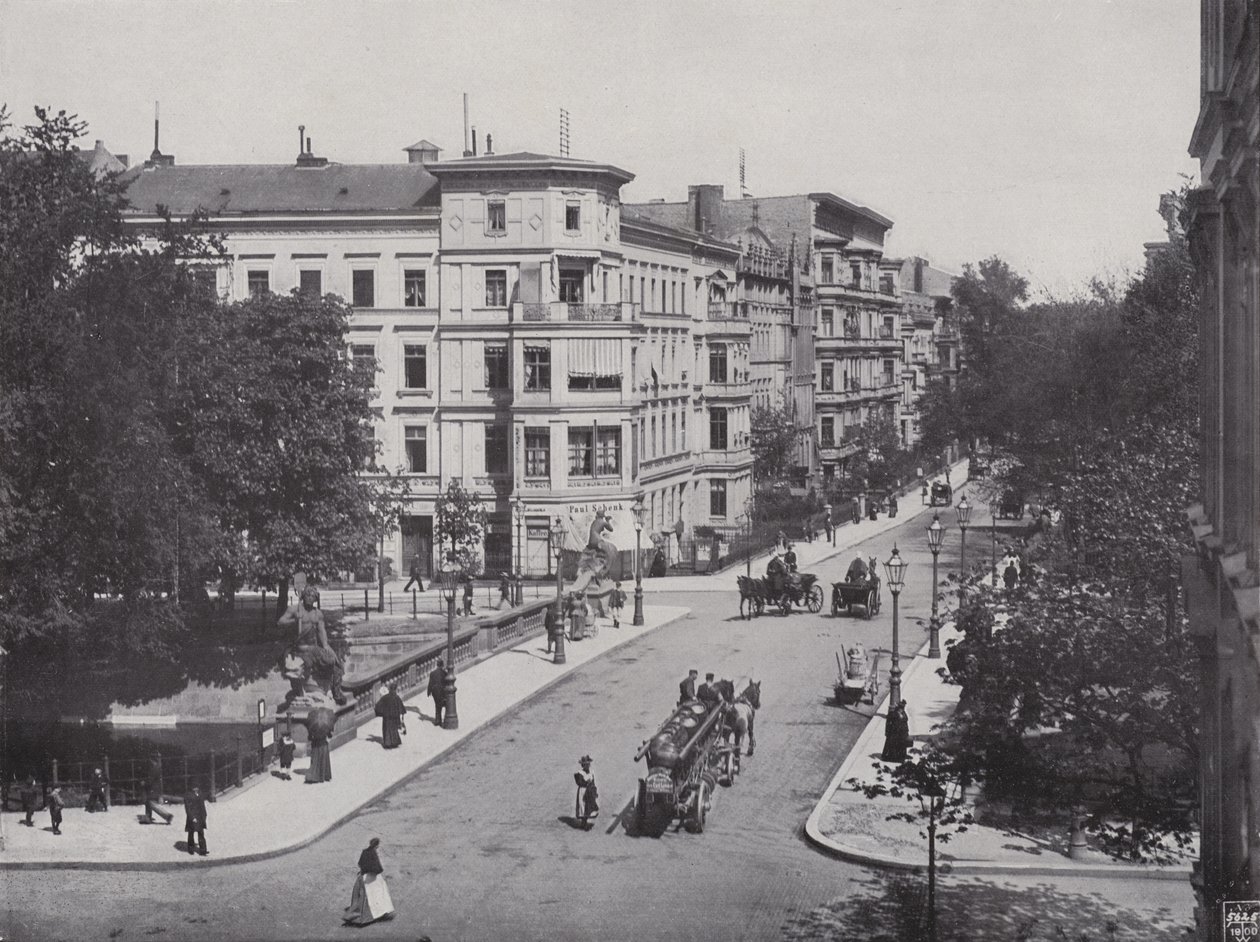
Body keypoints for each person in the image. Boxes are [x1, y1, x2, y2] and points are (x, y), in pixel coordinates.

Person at [278, 587, 347, 705]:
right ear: (303, 596)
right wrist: (295, 620)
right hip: (299, 648)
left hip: (313, 648)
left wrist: (327, 647)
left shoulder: (317, 614)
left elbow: (322, 632)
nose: (310, 597)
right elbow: (280, 622)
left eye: (313, 596)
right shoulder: (294, 610)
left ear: (316, 598)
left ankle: (336, 692)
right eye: (308, 595)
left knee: (335, 663)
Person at [344, 838, 395, 926]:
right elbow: (378, 868)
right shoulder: (373, 853)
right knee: (379, 895)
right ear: (377, 845)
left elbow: (360, 863)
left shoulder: (364, 852)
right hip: (372, 877)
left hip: (363, 876)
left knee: (366, 896)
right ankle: (377, 914)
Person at [142, 753, 173, 825]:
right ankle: (148, 817)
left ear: (152, 760)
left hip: (153, 788)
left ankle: (167, 815)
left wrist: (144, 783)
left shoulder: (154, 769)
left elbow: (150, 779)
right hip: (156, 788)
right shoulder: (158, 767)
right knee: (149, 802)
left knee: (151, 802)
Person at [374, 683, 407, 749]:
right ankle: (395, 742)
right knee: (394, 729)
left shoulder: (385, 697)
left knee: (387, 729)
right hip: (395, 717)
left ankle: (387, 743)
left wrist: (381, 712)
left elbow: (377, 706)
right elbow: (401, 708)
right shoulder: (397, 697)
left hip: (387, 717)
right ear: (395, 689)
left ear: (389, 689)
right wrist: (401, 715)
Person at [574, 756, 599, 827]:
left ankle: (585, 820)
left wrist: (594, 790)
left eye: (588, 764)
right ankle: (583, 822)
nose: (588, 766)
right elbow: (579, 782)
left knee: (590, 805)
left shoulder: (591, 772)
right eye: (586, 764)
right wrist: (586, 783)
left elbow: (593, 781)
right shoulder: (580, 773)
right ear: (583, 765)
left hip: (590, 791)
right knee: (583, 805)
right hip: (583, 791)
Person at [184, 785, 208, 856]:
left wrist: (204, 815)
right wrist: (192, 817)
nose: (196, 789)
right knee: (191, 832)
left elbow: (202, 805)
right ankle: (190, 849)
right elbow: (188, 808)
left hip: (200, 816)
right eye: (195, 787)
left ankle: (203, 850)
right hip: (193, 816)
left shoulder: (200, 793)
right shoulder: (188, 795)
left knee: (201, 833)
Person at [427, 659, 446, 726]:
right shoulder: (444, 673)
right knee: (444, 705)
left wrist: (428, 692)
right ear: (442, 665)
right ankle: (442, 720)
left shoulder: (432, 673)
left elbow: (430, 683)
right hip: (442, 691)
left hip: (435, 692)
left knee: (437, 705)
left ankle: (438, 720)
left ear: (437, 665)